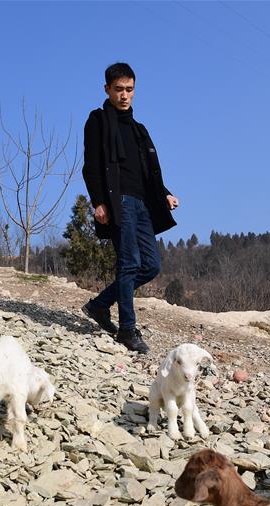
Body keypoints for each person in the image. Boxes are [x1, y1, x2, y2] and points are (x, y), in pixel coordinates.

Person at [80, 62, 179, 354]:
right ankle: (126, 329)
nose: (124, 95)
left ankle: (99, 305)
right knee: (129, 263)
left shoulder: (139, 129)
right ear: (107, 89)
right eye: (119, 89)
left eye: (130, 89)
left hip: (143, 203)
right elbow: (91, 166)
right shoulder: (97, 120)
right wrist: (99, 201)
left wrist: (165, 193)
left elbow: (148, 171)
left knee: (151, 265)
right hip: (117, 200)